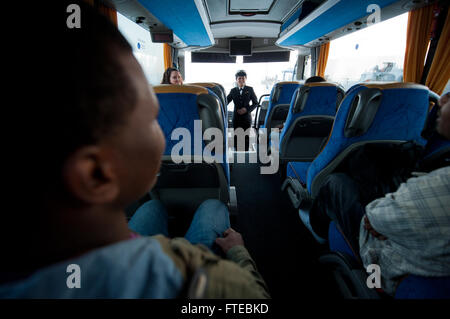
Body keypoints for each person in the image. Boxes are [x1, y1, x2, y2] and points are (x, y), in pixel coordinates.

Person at [0, 1, 269, 299]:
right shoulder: (201, 283)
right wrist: (240, 255)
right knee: (212, 207)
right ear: (97, 174)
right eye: (153, 118)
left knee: (153, 207)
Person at [307, 91, 450, 296]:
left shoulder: (444, 183)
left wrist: (381, 216)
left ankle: (318, 234)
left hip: (388, 259)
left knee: (335, 183)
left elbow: (375, 217)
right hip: (424, 245)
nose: (442, 99)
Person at [227, 70, 259, 151]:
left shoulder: (250, 89)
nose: (241, 80)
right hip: (236, 117)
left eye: (243, 78)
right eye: (239, 78)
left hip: (246, 117)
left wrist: (247, 109)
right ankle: (237, 155)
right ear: (236, 80)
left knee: (246, 136)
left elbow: (256, 103)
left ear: (246, 79)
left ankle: (246, 155)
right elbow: (225, 102)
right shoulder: (233, 91)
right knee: (236, 136)